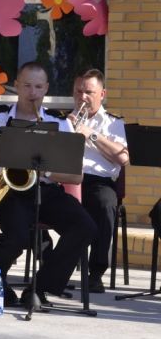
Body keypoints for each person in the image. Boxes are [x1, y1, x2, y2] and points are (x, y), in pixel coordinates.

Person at [0, 61, 97, 307]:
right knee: (18, 235)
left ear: (46, 88)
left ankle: (40, 287)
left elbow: (76, 176)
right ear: (16, 86)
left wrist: (48, 170)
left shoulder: (61, 123)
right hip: (7, 191)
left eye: (38, 87)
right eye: (26, 86)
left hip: (46, 189)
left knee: (85, 226)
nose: (32, 92)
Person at [69, 69, 129, 293]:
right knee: (38, 197)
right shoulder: (63, 120)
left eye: (89, 92)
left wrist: (91, 134)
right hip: (66, 178)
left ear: (102, 94)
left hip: (98, 182)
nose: (82, 97)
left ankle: (95, 272)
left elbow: (123, 158)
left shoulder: (114, 123)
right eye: (78, 91)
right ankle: (51, 263)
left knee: (105, 204)